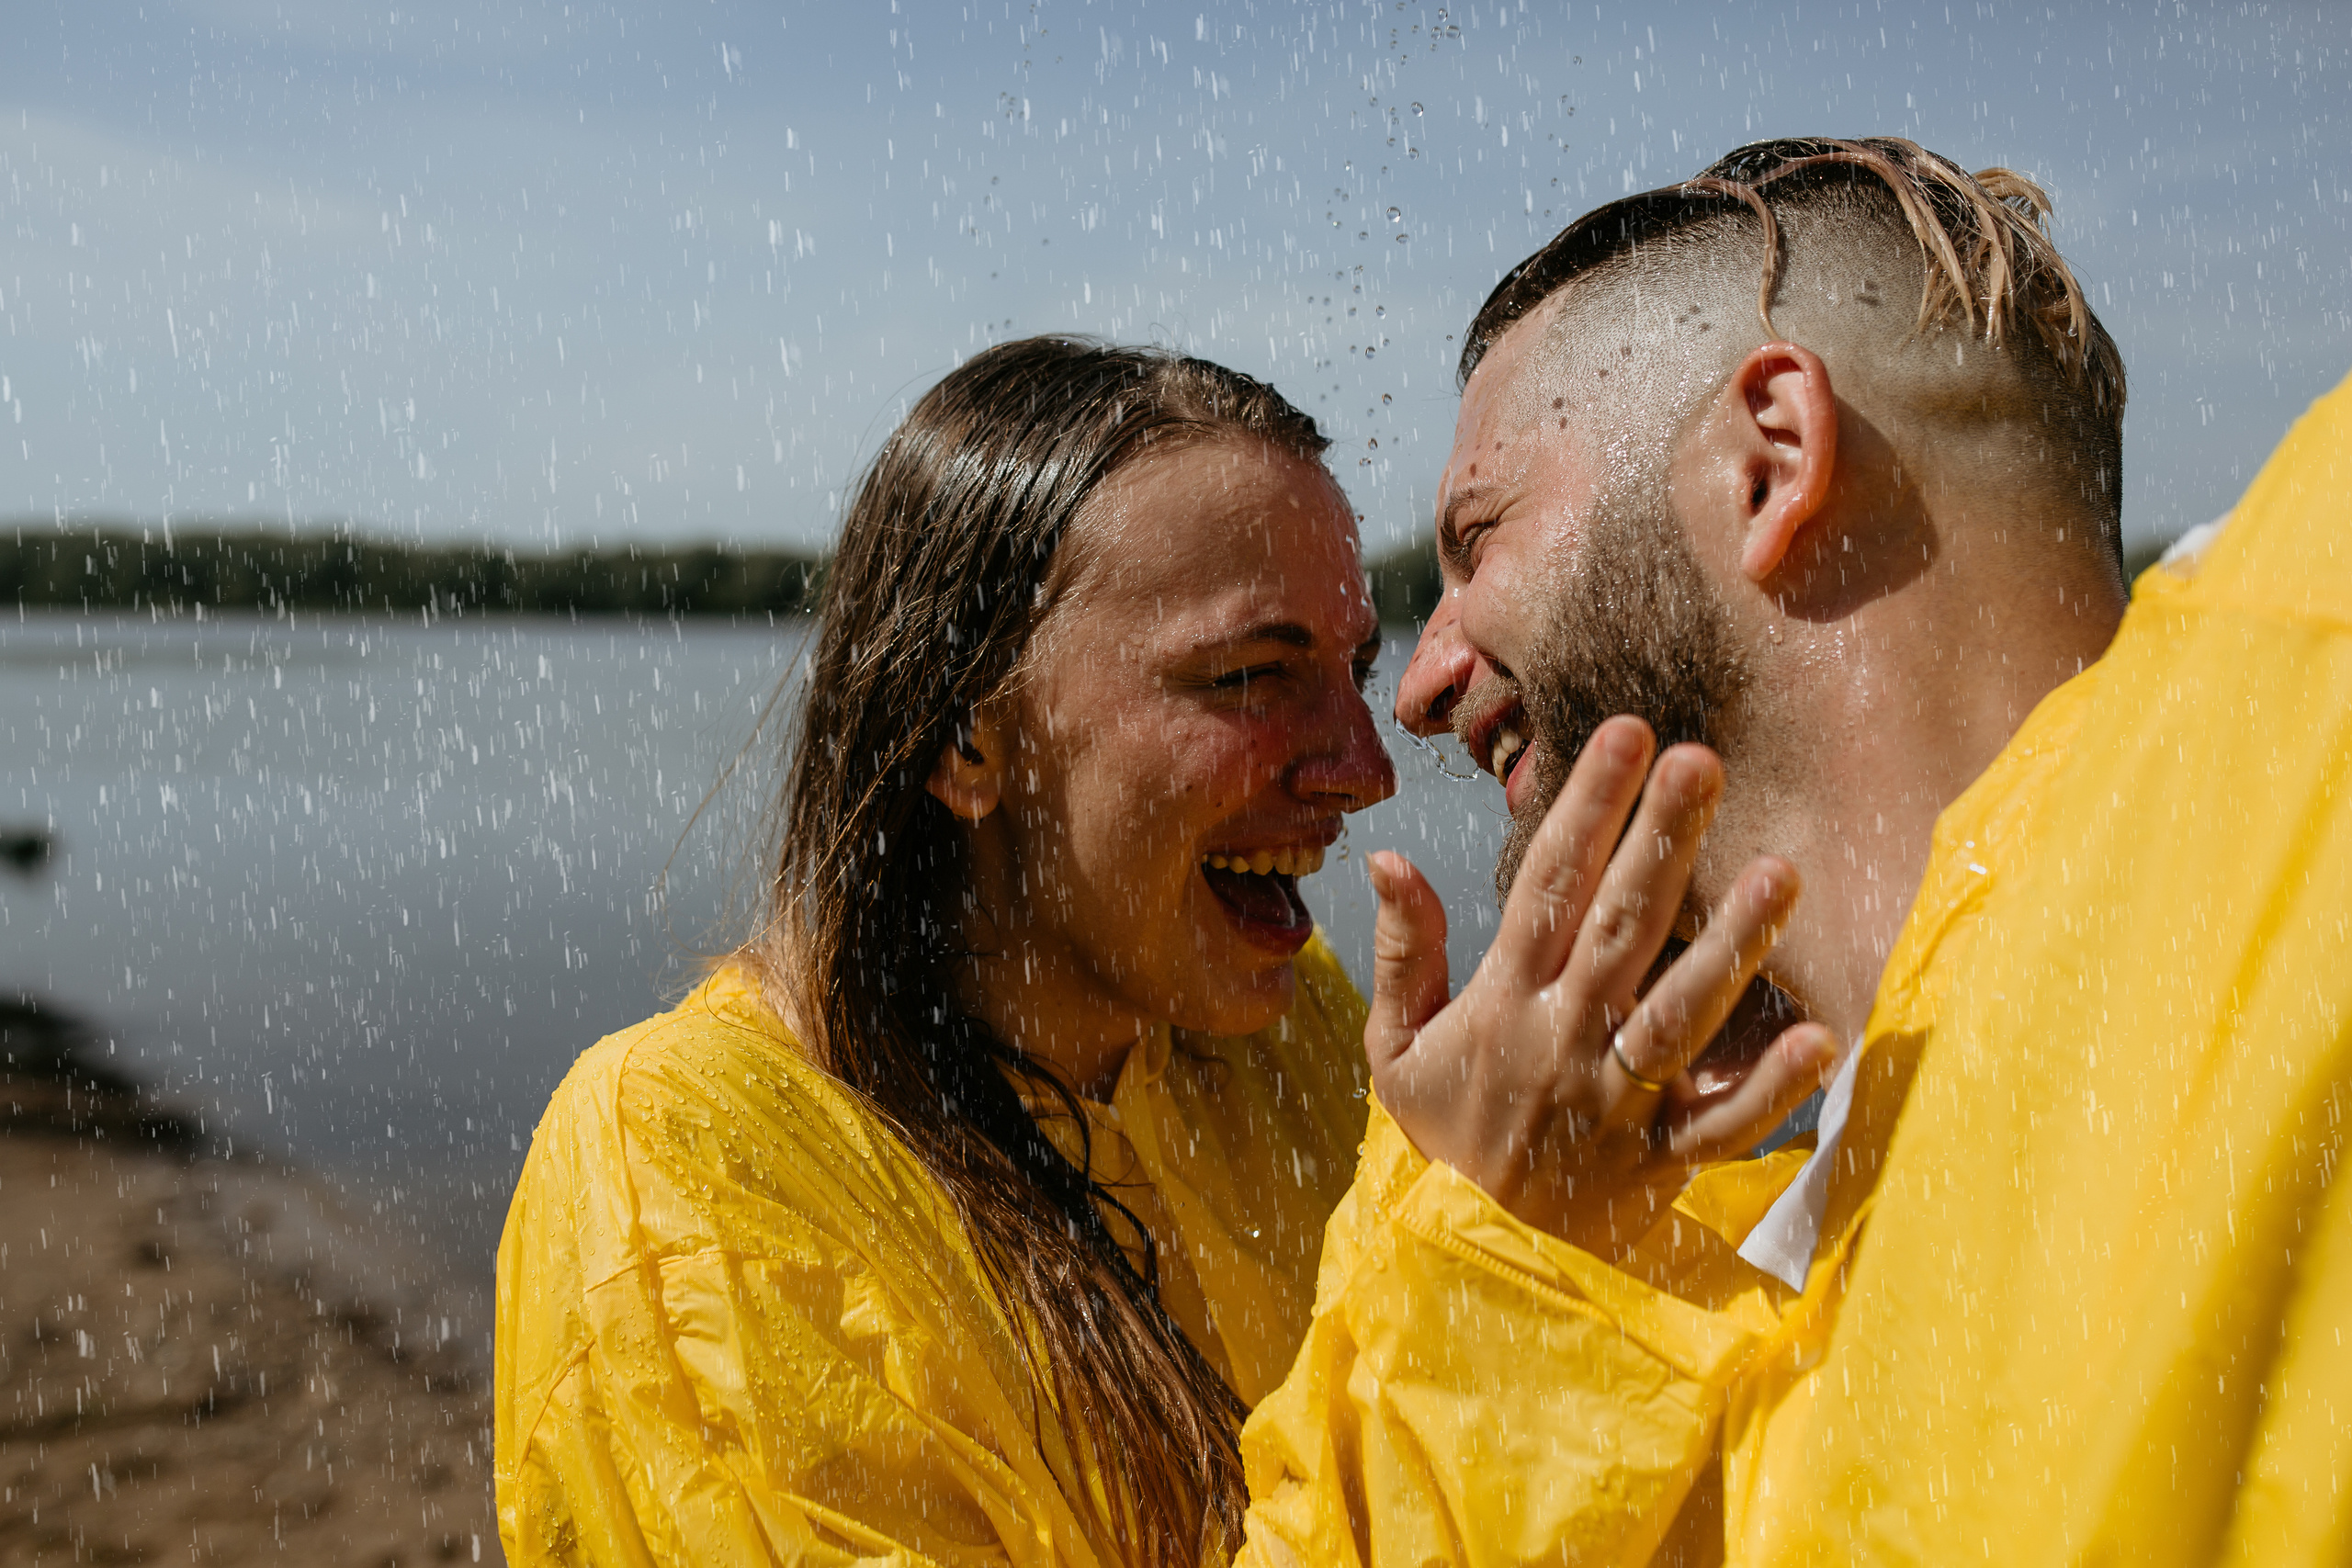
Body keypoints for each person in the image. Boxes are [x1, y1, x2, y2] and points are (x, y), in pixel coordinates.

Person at [494, 335, 1812, 1565]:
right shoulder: (675, 1164)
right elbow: (1457, 1356)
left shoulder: (1276, 1033)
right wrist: (1507, 1251)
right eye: (1250, 676)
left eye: (1356, 670)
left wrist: (1683, 1131)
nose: (1364, 771)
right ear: (968, 738)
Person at [1239, 136, 2352, 1563]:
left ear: (1772, 457)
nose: (1419, 682)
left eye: (1478, 538)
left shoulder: (2300, 773)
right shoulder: (1763, 1259)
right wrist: (1506, 1246)